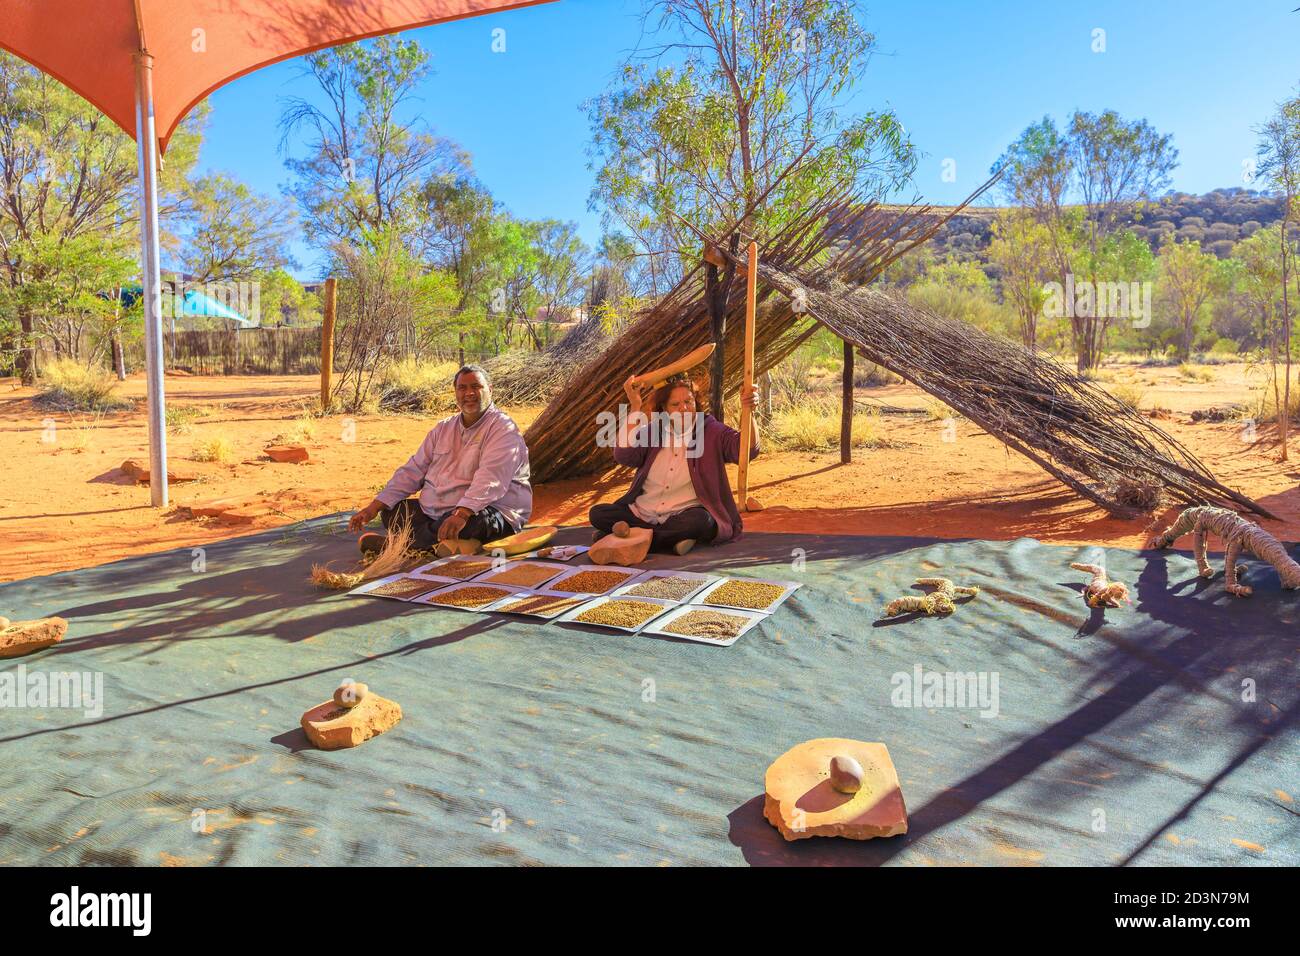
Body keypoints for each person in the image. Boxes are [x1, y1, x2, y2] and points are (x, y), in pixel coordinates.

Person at [348, 364, 531, 553]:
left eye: (476, 386)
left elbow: (491, 479)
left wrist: (462, 513)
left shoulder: (503, 428)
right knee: (391, 513)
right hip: (438, 513)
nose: (469, 393)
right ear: (455, 393)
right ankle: (442, 544)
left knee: (474, 524)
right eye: (462, 388)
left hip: (487, 510)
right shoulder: (443, 428)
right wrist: (373, 508)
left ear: (490, 390)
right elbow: (413, 470)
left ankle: (405, 547)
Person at [589, 375, 761, 555]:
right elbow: (623, 455)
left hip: (683, 514)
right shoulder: (653, 431)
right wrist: (635, 406)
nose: (683, 408)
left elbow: (748, 450)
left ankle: (629, 537)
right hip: (643, 512)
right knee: (598, 514)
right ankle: (669, 540)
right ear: (664, 408)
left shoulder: (712, 430)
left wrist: (749, 411)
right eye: (675, 404)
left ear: (696, 402)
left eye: (688, 401)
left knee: (703, 521)